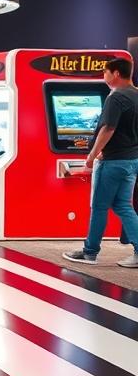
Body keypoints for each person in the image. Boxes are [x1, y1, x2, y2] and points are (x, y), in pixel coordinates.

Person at [63, 57, 138, 268]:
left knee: (99, 207)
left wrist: (92, 155)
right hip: (132, 160)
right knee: (123, 205)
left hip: (112, 161)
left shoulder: (116, 97)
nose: (103, 75)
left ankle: (90, 252)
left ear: (116, 73)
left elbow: (108, 128)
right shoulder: (136, 95)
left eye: (105, 72)